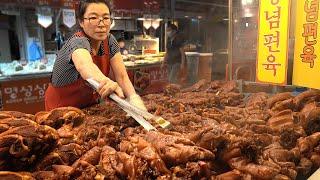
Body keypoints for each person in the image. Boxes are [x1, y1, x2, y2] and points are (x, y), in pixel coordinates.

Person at [45, 0, 146, 111]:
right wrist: (105, 81)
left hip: (88, 106)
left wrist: (133, 97)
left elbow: (121, 76)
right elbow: (85, 65)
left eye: (106, 18)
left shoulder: (110, 40)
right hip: (61, 108)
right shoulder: (76, 42)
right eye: (93, 18)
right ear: (81, 22)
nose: (101, 24)